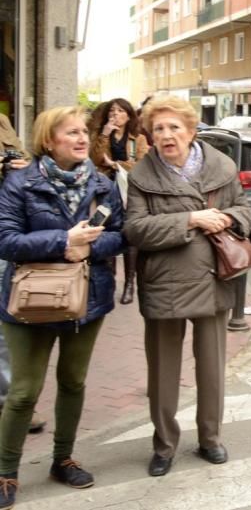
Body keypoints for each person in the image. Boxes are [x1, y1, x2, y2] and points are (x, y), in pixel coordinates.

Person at [0, 106, 126, 508]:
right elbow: (5, 239)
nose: (81, 138)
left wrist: (89, 246)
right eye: (70, 133)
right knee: (23, 393)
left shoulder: (103, 184)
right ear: (48, 141)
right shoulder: (20, 182)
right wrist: (62, 241)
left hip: (87, 299)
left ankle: (62, 459)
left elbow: (121, 236)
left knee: (73, 382)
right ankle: (6, 472)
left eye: (82, 132)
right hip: (31, 302)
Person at [123, 96, 251, 478]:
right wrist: (192, 219)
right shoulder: (141, 176)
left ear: (192, 131)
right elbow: (135, 229)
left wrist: (227, 217)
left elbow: (245, 212)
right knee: (163, 372)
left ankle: (210, 438)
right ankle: (164, 445)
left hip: (213, 278)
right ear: (149, 135)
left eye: (174, 127)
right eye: (158, 129)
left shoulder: (222, 166)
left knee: (212, 369)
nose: (166, 135)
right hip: (164, 283)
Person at [0, 115, 43, 436]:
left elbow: (25, 163)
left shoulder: (2, 123)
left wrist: (16, 167)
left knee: (4, 325)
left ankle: (9, 400)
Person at [88, 98, 150, 304]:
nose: (115, 114)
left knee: (129, 233)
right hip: (105, 190)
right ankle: (110, 280)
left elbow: (141, 165)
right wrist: (105, 133)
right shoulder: (101, 135)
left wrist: (115, 164)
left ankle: (129, 284)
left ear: (129, 115)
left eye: (120, 111)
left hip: (129, 192)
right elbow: (94, 159)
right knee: (106, 232)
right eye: (112, 111)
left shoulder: (138, 138)